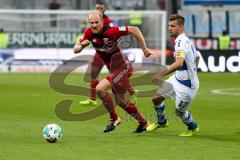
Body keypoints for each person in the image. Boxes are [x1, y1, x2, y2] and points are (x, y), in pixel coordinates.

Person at [74, 11, 154, 133]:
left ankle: (114, 119)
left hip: (123, 67)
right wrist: (80, 47)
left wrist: (144, 48)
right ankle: (143, 123)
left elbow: (135, 29)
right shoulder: (89, 33)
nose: (94, 25)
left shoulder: (112, 31)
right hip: (114, 70)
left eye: (97, 22)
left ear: (102, 22)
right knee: (121, 102)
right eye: (91, 23)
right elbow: (76, 49)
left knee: (100, 89)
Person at [146, 14, 200, 137]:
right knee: (156, 98)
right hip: (177, 79)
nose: (169, 28)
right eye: (169, 26)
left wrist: (161, 74)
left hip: (188, 86)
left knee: (179, 112)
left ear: (181, 27)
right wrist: (193, 69)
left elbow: (179, 62)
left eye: (172, 26)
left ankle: (193, 127)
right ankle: (162, 121)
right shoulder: (182, 40)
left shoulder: (181, 42)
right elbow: (197, 57)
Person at [80, 0, 136, 106]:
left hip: (109, 53)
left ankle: (130, 91)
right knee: (93, 74)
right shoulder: (93, 20)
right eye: (98, 8)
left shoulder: (107, 22)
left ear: (104, 9)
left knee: (116, 77)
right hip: (99, 52)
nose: (99, 10)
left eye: (101, 8)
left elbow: (114, 35)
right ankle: (92, 99)